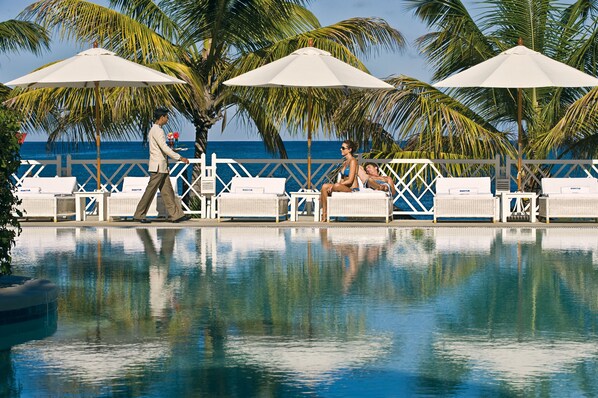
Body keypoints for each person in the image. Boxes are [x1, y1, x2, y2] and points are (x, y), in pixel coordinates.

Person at [133, 107, 191, 223]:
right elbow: (164, 148)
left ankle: (176, 215)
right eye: (166, 117)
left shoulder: (155, 129)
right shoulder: (157, 131)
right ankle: (139, 215)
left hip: (162, 167)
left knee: (168, 191)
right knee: (150, 191)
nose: (168, 119)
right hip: (158, 167)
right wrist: (179, 157)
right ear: (161, 117)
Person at [320, 139, 359, 221]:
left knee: (336, 185)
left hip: (352, 189)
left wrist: (335, 186)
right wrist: (334, 186)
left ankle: (327, 211)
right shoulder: (345, 162)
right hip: (343, 187)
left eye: (343, 148)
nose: (341, 149)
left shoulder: (353, 161)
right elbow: (341, 179)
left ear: (349, 150)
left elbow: (350, 180)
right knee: (324, 186)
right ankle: (325, 213)